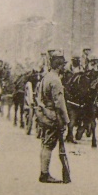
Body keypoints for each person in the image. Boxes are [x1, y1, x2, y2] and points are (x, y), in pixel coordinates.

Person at [37, 51, 71, 183]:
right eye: (63, 65)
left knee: (45, 144)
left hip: (45, 114)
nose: (64, 68)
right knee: (49, 145)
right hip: (53, 116)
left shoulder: (46, 77)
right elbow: (60, 104)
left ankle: (43, 171)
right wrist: (66, 120)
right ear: (59, 66)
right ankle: (44, 174)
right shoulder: (56, 81)